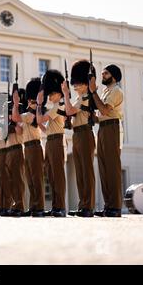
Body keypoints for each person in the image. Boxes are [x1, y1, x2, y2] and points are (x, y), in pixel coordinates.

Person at [62, 60, 96, 217]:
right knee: (80, 172)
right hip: (77, 134)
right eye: (74, 84)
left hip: (85, 133)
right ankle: (83, 204)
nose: (75, 86)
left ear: (85, 83)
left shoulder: (85, 97)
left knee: (86, 171)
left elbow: (69, 110)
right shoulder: (80, 97)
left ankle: (88, 206)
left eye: (78, 84)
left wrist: (66, 95)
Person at [89, 64, 124, 217]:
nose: (103, 75)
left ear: (114, 76)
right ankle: (108, 205)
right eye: (102, 73)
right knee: (103, 168)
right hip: (103, 128)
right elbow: (100, 116)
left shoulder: (116, 91)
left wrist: (93, 92)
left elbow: (104, 110)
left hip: (112, 128)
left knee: (112, 168)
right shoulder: (105, 91)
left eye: (106, 73)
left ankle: (115, 207)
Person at [12, 78, 45, 217]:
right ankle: (33, 206)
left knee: (36, 179)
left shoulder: (32, 115)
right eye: (29, 101)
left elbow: (16, 117)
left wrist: (15, 103)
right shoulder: (27, 115)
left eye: (32, 101)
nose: (30, 103)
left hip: (35, 147)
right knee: (30, 179)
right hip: (27, 147)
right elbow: (19, 130)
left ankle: (39, 207)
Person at [36, 69, 67, 217]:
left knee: (58, 175)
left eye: (52, 94)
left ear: (59, 93)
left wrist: (38, 104)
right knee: (51, 175)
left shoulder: (59, 105)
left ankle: (60, 206)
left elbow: (41, 119)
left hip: (56, 141)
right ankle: (56, 205)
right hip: (50, 140)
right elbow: (43, 126)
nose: (50, 96)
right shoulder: (54, 107)